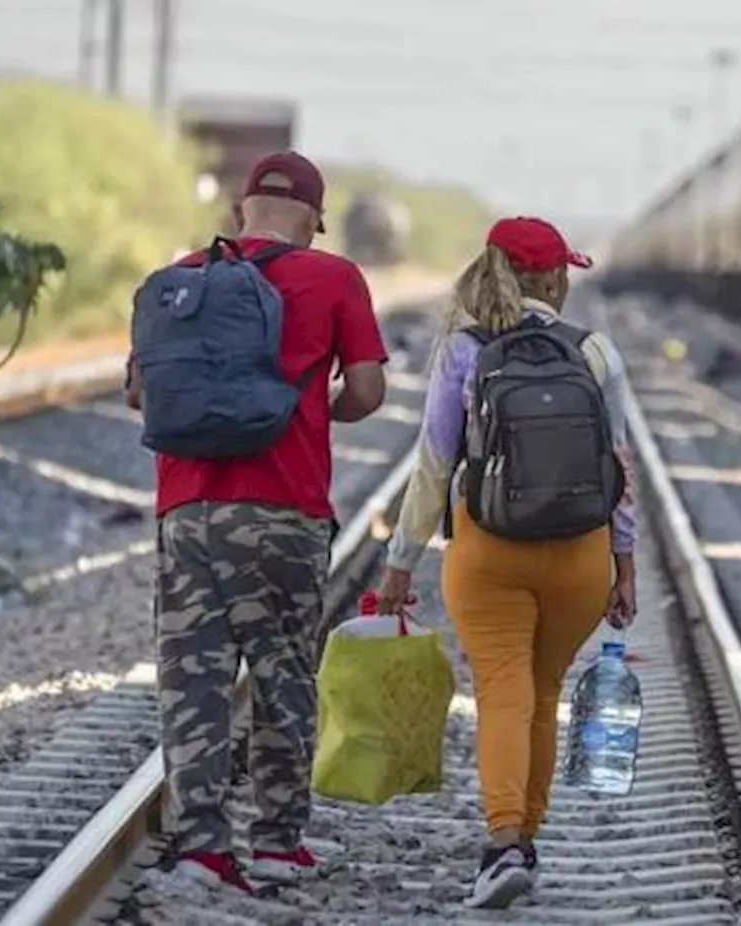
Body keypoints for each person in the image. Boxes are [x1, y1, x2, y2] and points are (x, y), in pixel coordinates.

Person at [125, 150, 389, 894]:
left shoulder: (185, 274)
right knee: (282, 678)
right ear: (315, 216)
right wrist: (315, 411)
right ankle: (276, 843)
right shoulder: (335, 278)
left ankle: (202, 848)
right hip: (284, 510)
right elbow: (366, 390)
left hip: (187, 509)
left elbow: (143, 394)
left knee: (194, 682)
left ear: (241, 211)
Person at [375, 216, 638, 910]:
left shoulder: (464, 350)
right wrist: (626, 563)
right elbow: (622, 469)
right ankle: (527, 838)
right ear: (556, 278)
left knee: (502, 691)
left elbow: (434, 465)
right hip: (580, 557)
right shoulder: (596, 352)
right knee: (543, 697)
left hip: (489, 552)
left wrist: (402, 560)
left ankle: (503, 843)